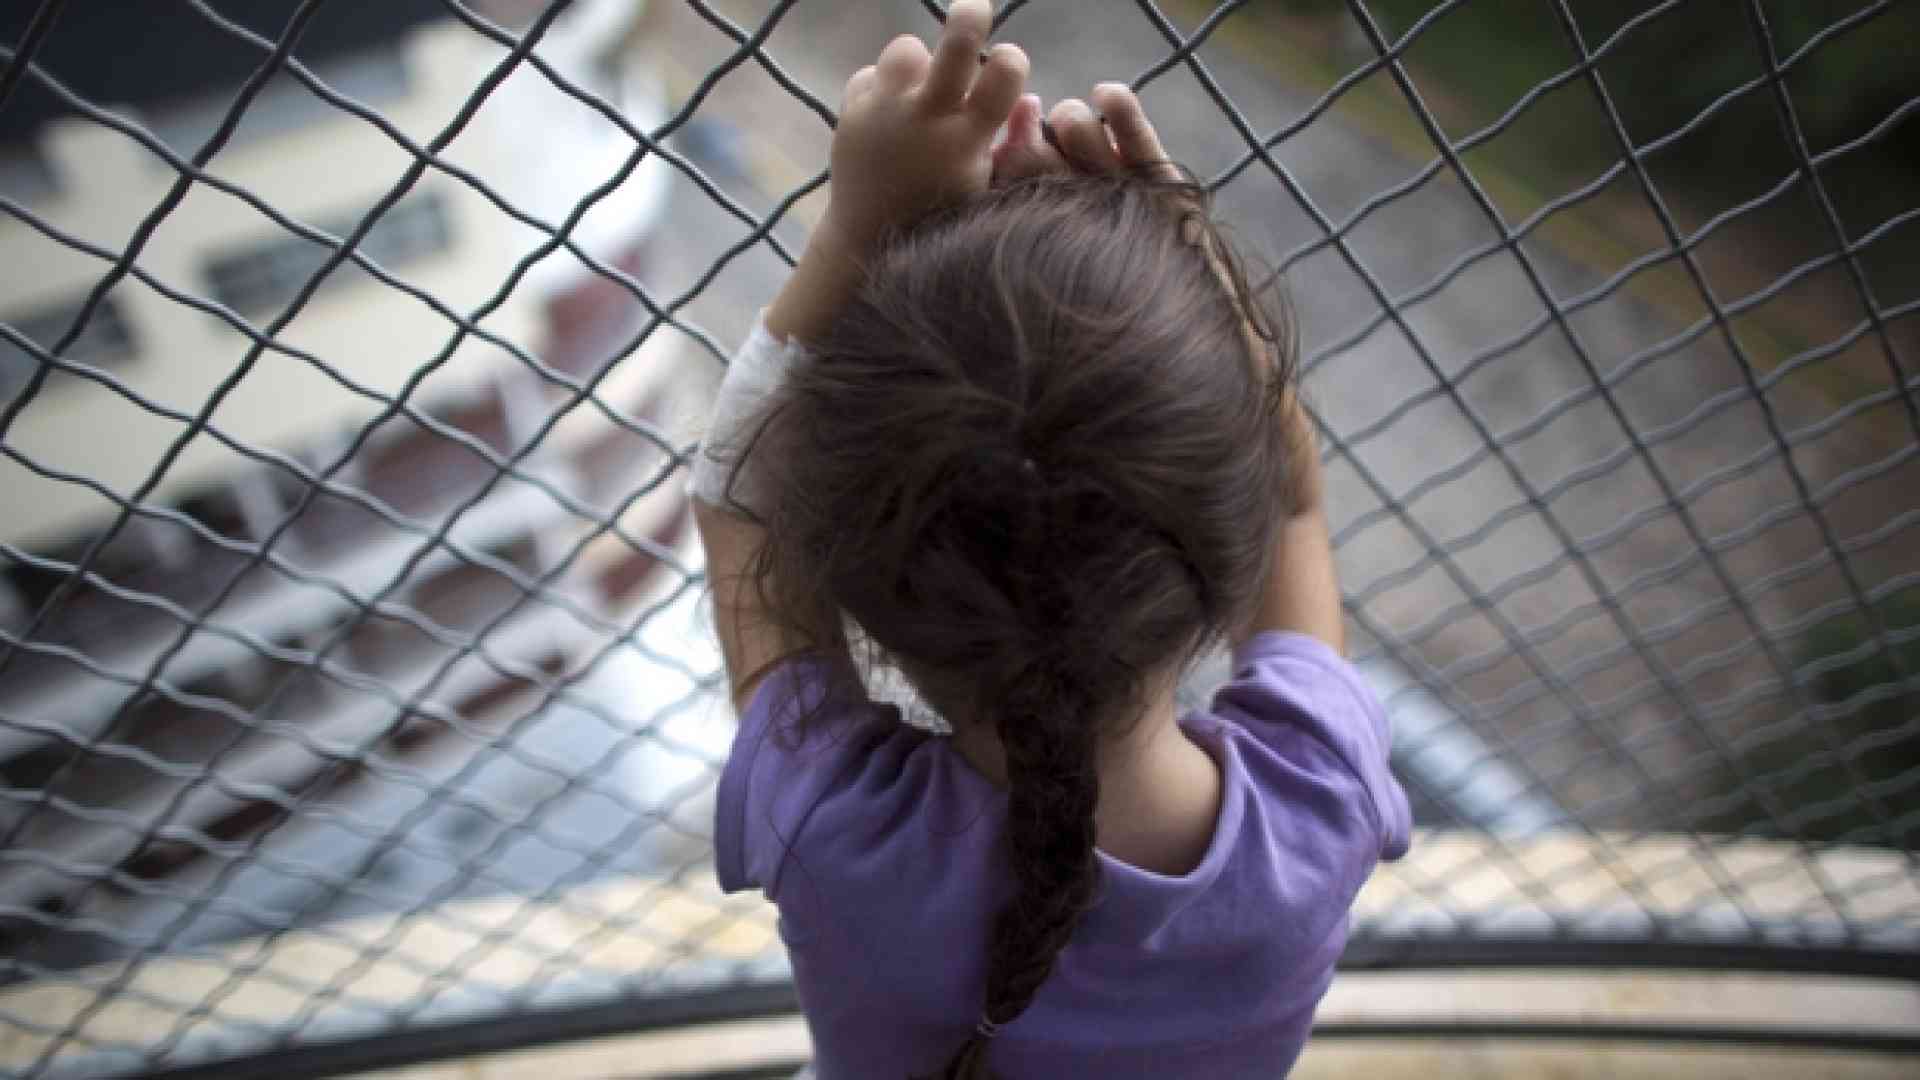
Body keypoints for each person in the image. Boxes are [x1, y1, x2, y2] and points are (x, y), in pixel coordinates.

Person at [690, 3, 1411, 1076]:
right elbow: (1297, 508)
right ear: (1219, 545)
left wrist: (853, 230)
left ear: (858, 584)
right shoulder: (1320, 802)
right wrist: (1185, 271)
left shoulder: (838, 836)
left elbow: (736, 502)